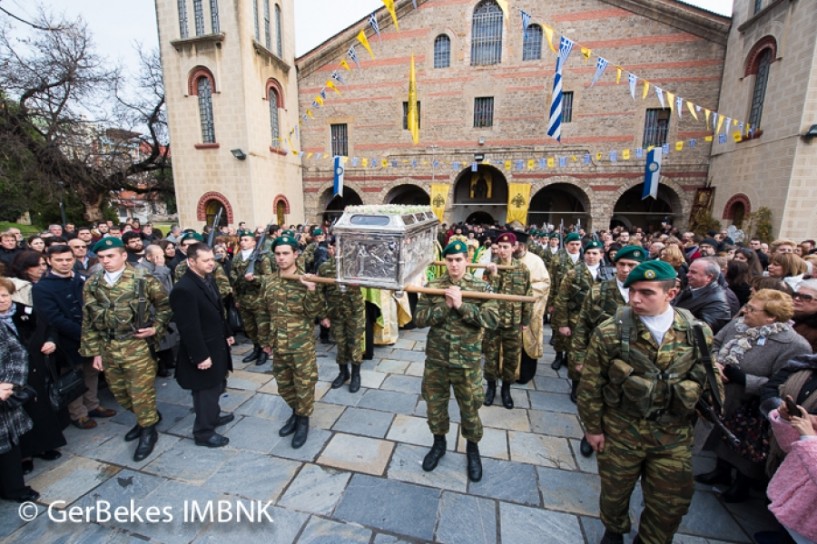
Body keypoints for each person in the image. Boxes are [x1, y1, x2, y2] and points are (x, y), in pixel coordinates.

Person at [577, 260, 718, 544]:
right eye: (632, 292)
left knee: (670, 502)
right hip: (621, 429)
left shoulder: (696, 332)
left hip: (672, 434)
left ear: (671, 292)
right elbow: (591, 385)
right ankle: (614, 529)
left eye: (646, 292)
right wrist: (593, 429)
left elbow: (708, 379)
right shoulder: (611, 331)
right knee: (615, 491)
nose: (636, 299)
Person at [694, 289, 811, 502]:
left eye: (752, 309)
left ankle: (741, 484)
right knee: (719, 436)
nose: (745, 311)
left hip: (751, 404)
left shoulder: (794, 345)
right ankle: (720, 471)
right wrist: (714, 363)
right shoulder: (739, 324)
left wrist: (744, 379)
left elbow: (785, 384)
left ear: (772, 316)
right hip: (719, 394)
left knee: (745, 448)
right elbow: (716, 343)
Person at [79, 237, 171, 462]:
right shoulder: (92, 283)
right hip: (108, 346)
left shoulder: (142, 279)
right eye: (101, 258)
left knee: (141, 392)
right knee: (120, 393)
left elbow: (165, 306)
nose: (106, 261)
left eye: (110, 256)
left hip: (136, 345)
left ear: (123, 255)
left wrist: (155, 328)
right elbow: (88, 320)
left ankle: (148, 430)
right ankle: (146, 417)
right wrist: (95, 352)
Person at [415, 240, 499, 482]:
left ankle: (472, 449)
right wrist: (444, 306)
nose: (454, 264)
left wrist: (462, 307)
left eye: (458, 260)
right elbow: (419, 319)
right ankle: (438, 444)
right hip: (437, 360)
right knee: (435, 405)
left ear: (466, 260)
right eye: (450, 260)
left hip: (467, 361)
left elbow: (492, 320)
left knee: (470, 407)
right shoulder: (433, 286)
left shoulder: (481, 287)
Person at [571, 245, 646, 457]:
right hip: (602, 358)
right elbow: (582, 326)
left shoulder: (649, 296)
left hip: (635, 362)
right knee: (596, 397)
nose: (625, 269)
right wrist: (578, 357)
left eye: (632, 265)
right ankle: (589, 432)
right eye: (622, 264)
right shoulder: (599, 291)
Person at [33, 246, 115, 430]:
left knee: (91, 371)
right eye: (59, 260)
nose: (65, 263)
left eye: (68, 259)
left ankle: (93, 405)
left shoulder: (82, 279)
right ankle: (78, 414)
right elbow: (53, 318)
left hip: (91, 336)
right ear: (49, 261)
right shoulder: (42, 288)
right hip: (67, 340)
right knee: (73, 376)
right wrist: (84, 333)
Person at [258, 234, 322, 449]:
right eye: (277, 254)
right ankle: (295, 412)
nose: (281, 258)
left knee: (304, 383)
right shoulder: (269, 281)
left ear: (296, 254)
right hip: (278, 342)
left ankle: (303, 420)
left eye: (286, 253)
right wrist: (264, 340)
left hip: (301, 343)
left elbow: (315, 312)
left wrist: (312, 290)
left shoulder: (306, 280)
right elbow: (264, 312)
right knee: (284, 385)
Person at [170, 243, 235, 448]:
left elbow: (217, 310)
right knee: (205, 391)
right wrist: (200, 356)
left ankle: (213, 417)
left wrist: (227, 333)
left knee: (216, 385)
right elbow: (188, 327)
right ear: (191, 262)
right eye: (205, 261)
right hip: (203, 350)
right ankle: (204, 432)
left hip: (217, 344)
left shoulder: (208, 279)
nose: (211, 264)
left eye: (212, 259)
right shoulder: (184, 289)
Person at [0, 277, 66, 476]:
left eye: (4, 295)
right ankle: (24, 455)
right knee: (20, 413)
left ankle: (46, 445)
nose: (1, 300)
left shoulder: (26, 311)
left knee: (41, 408)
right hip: (9, 379)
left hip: (36, 369)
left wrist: (51, 342)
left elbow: (50, 328)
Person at [553, 239, 610, 401]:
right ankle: (576, 386)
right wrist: (562, 323)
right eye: (588, 253)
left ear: (601, 255)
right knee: (575, 354)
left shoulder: (608, 274)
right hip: (576, 319)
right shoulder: (573, 273)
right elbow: (562, 299)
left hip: (600, 322)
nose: (591, 257)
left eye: (595, 253)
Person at [482, 232, 532, 409]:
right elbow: (486, 293)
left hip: (513, 321)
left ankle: (506, 389)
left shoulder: (522, 269)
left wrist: (525, 320)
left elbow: (528, 295)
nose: (502, 251)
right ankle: (490, 388)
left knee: (511, 357)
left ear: (514, 248)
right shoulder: (490, 268)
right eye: (500, 247)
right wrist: (493, 275)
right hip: (493, 321)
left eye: (506, 247)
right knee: (491, 356)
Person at [0, 293, 40, 503]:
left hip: (5, 398)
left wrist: (9, 384)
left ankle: (15, 489)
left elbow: (16, 351)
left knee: (9, 448)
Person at [762, 402, 817, 544]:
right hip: (796, 509)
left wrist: (809, 439)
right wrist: (787, 421)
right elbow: (791, 447)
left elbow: (807, 446)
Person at [318, 237, 365, 393]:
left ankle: (356, 375)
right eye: (335, 247)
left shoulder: (357, 265)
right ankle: (343, 372)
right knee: (340, 344)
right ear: (330, 249)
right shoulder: (324, 268)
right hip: (335, 313)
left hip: (354, 312)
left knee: (355, 344)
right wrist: (323, 316)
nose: (339, 251)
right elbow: (319, 293)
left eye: (343, 247)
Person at [513, 231, 550, 385]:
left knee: (527, 342)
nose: (518, 248)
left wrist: (524, 292)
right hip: (509, 311)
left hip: (529, 309)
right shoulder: (505, 259)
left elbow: (544, 284)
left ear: (525, 245)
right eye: (516, 245)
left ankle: (524, 375)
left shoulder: (536, 261)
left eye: (521, 245)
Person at [137, 245, 179, 378]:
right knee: (157, 341)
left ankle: (169, 361)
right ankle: (161, 366)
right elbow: (154, 285)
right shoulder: (141, 270)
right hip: (151, 310)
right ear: (149, 257)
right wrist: (160, 268)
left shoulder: (162, 267)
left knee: (167, 336)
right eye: (158, 256)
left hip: (165, 307)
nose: (162, 258)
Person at [230, 232, 269, 366]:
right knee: (250, 328)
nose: (242, 242)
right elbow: (233, 280)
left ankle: (264, 351)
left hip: (259, 300)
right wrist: (236, 299)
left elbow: (269, 278)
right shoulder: (237, 258)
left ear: (254, 242)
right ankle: (256, 348)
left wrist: (255, 278)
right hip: (243, 299)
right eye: (241, 240)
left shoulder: (261, 258)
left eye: (246, 240)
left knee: (262, 328)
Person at [547, 232, 583, 370]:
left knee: (575, 332)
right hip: (560, 301)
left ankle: (569, 356)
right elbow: (551, 282)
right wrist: (550, 303)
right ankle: (558, 356)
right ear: (566, 245)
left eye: (577, 244)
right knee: (558, 330)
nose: (575, 247)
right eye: (572, 244)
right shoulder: (557, 259)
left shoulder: (584, 259)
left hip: (578, 304)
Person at [673, 257, 733, 334]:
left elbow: (703, 331)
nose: (687, 275)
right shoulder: (693, 287)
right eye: (689, 271)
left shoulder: (717, 302)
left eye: (693, 272)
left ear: (709, 277)